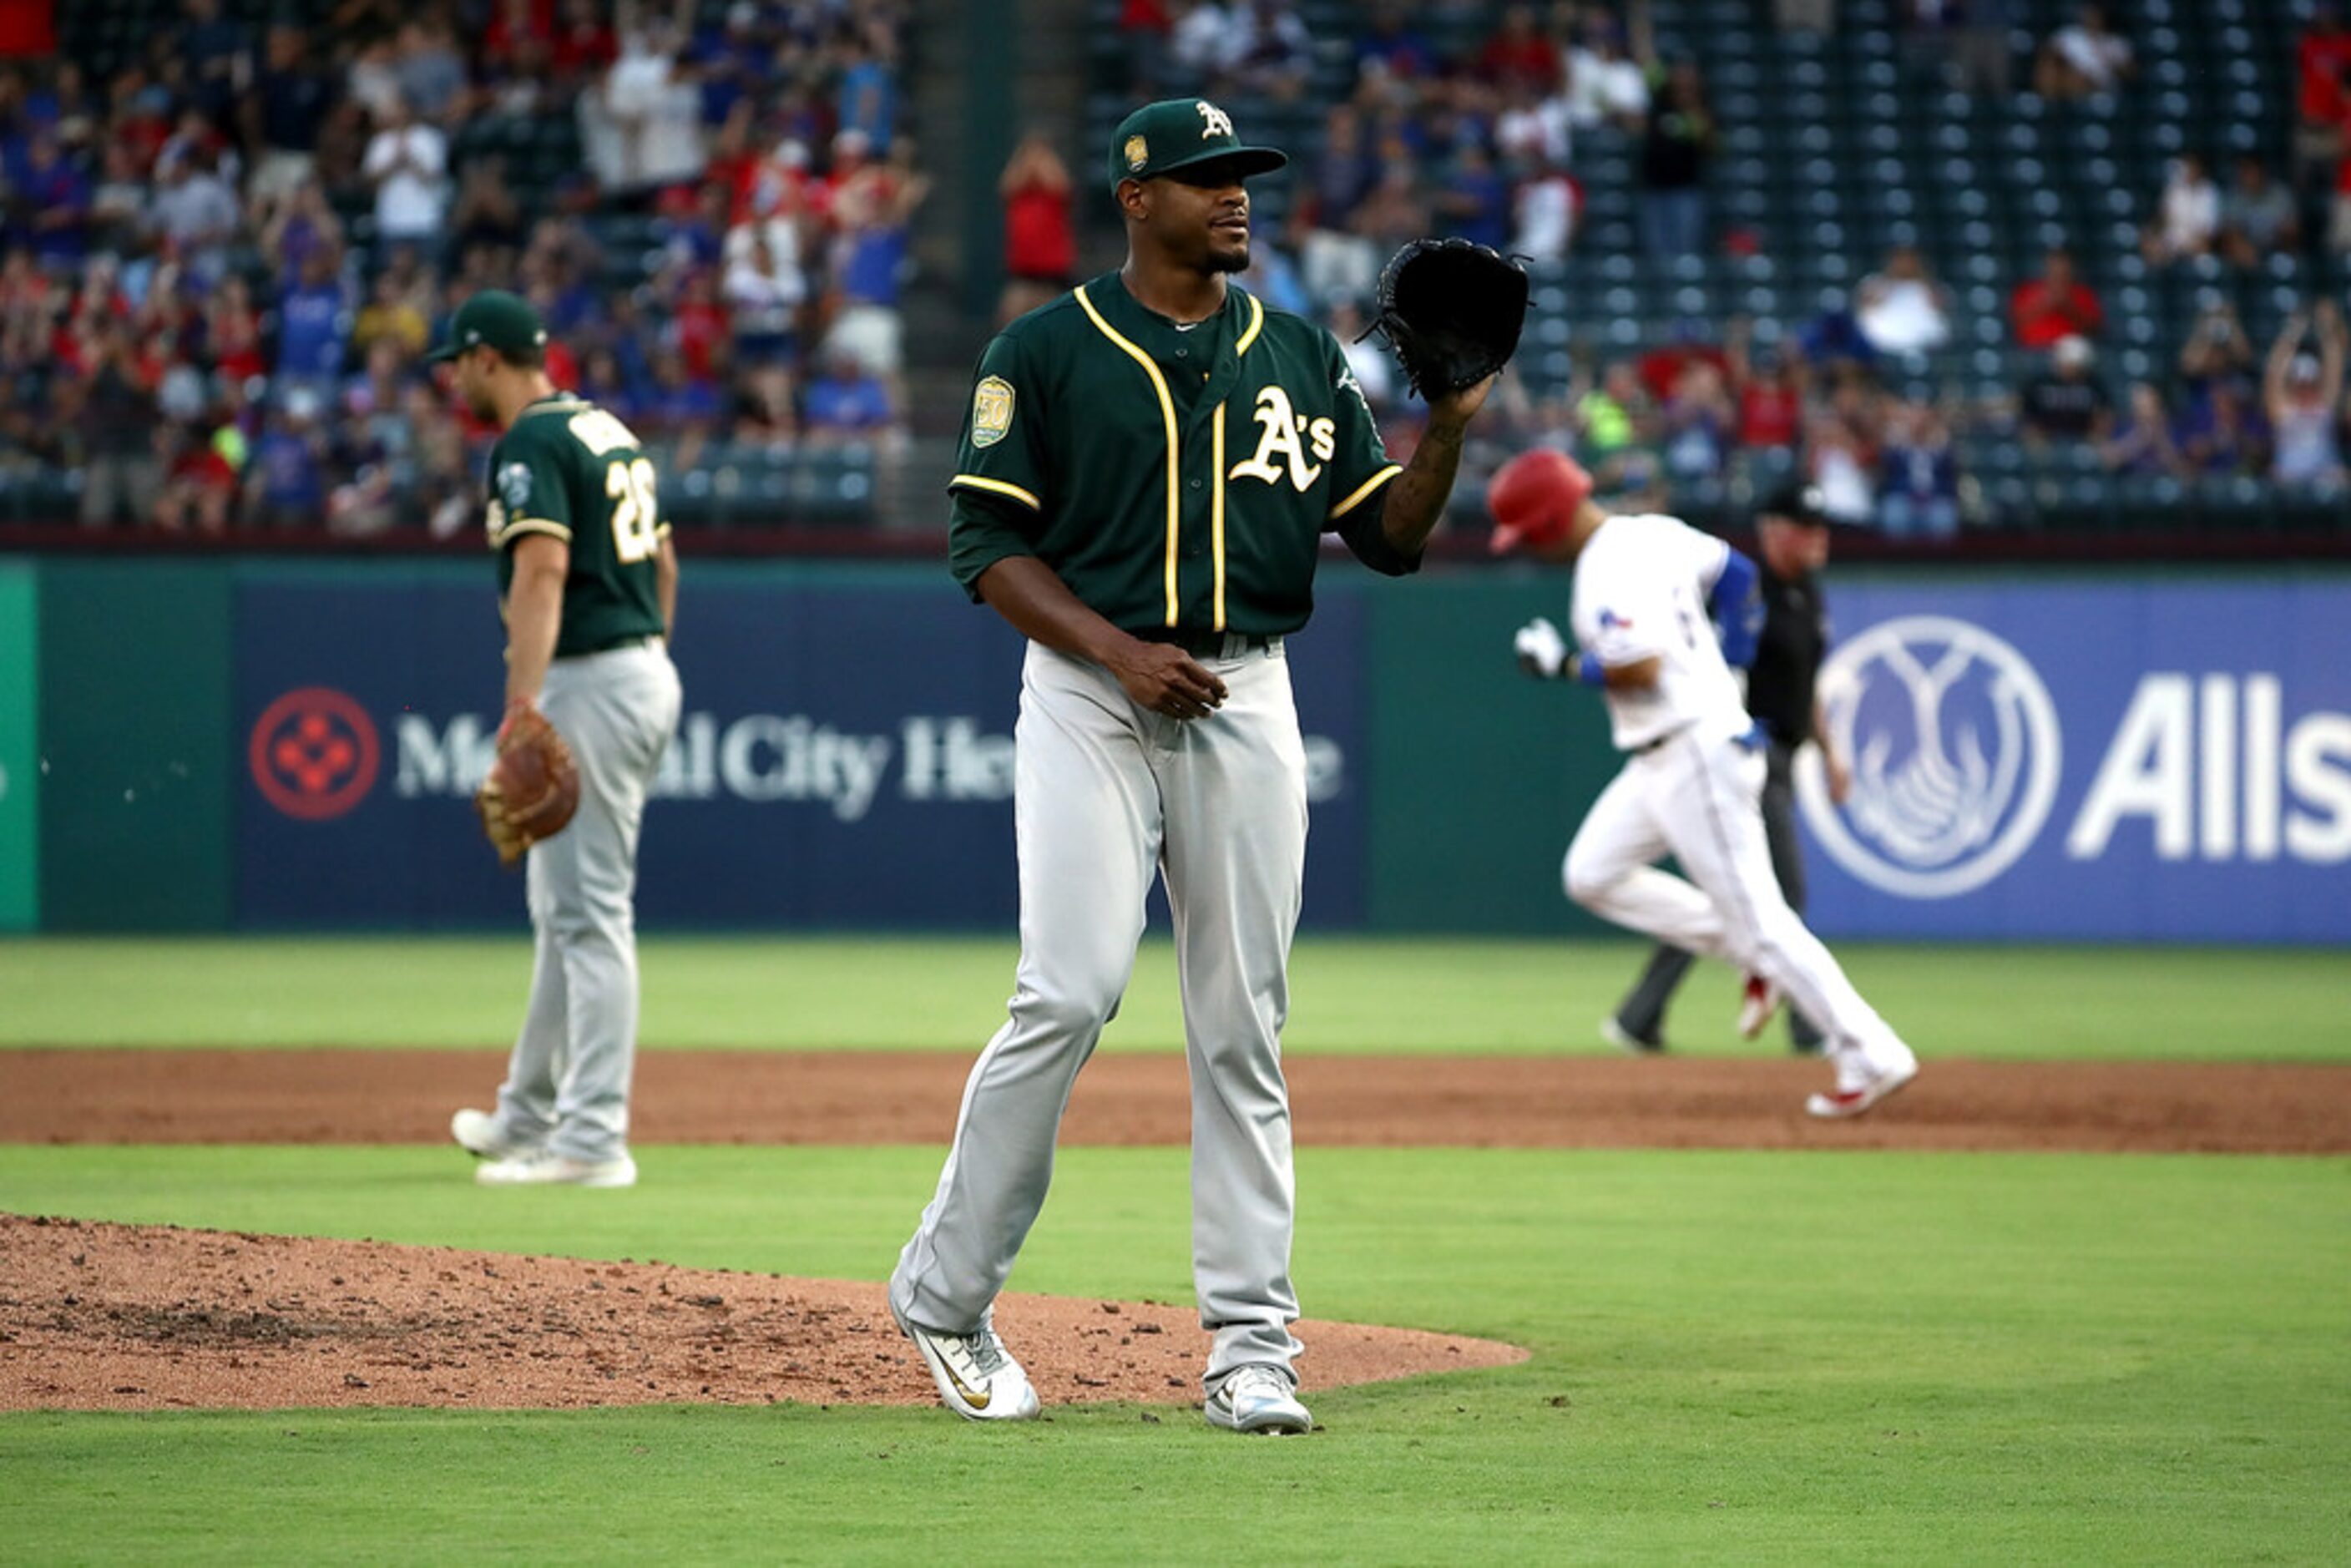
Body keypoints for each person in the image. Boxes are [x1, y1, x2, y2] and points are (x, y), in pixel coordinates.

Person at [889, 99, 1494, 1434]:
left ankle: (1253, 1347)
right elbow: (984, 548)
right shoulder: (1043, 351)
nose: (1235, 197)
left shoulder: (1297, 354)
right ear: (1137, 196)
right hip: (1090, 694)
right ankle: (944, 1295)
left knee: (1243, 1024)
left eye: (1245, 179)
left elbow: (1387, 536)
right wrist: (1116, 651)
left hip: (1245, 684)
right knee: (1070, 989)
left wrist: (1446, 423)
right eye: (1207, 178)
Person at [1491, 448, 1919, 1119]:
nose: (1527, 550)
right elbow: (1739, 576)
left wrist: (1563, 666)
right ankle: (1744, 951)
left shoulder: (1606, 567)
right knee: (1592, 874)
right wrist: (1736, 674)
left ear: (1548, 521)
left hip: (1692, 751)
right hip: (1664, 754)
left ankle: (1871, 1050)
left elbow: (1641, 669)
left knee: (1770, 925)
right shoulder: (1650, 530)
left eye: (1526, 535)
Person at [436, 291, 683, 1189]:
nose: (453, 379)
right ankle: (525, 1114)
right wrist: (647, 653)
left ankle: (591, 1141)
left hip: (589, 677)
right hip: (639, 664)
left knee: (589, 916)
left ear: (487, 359)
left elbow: (541, 568)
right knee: (563, 909)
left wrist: (521, 703)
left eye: (456, 363)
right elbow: (662, 562)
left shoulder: (532, 442)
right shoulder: (605, 429)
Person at [1602, 482, 1855, 1057]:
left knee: (1725, 890)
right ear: (1772, 530)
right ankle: (1814, 1027)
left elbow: (1807, 686)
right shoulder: (1743, 589)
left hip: (1784, 756)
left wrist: (1833, 754)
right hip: (1742, 751)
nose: (1818, 539)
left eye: (1821, 528)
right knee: (1782, 892)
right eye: (1805, 528)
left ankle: (1638, 1016)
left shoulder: (1807, 594)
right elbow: (1696, 660)